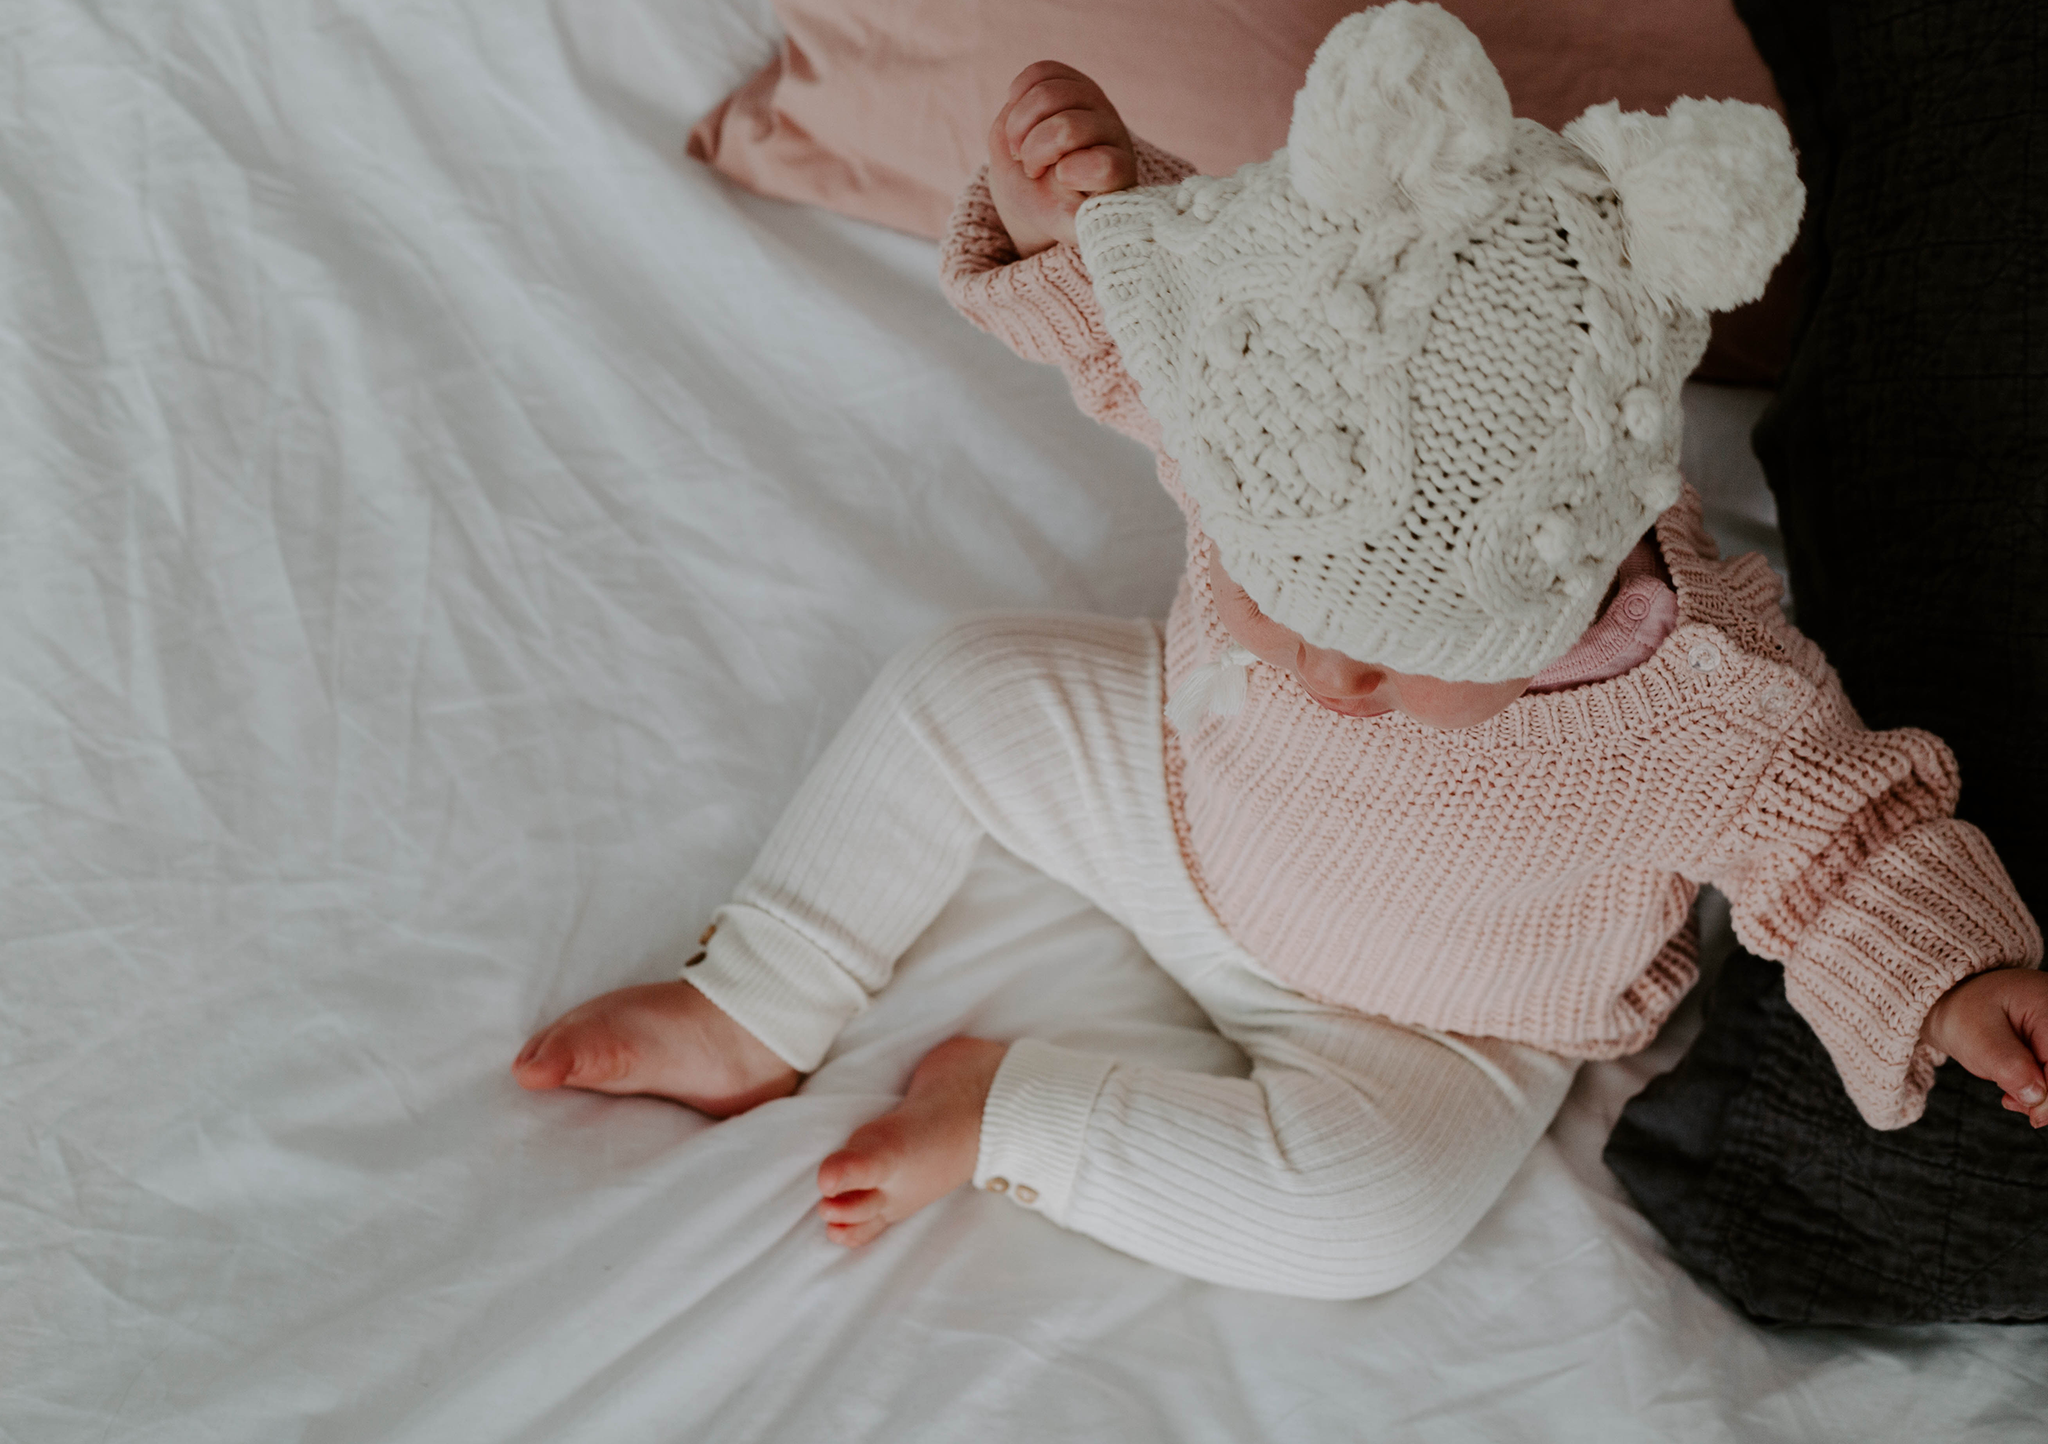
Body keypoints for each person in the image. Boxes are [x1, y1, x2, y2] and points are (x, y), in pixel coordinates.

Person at [511, 4, 2044, 1299]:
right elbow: (1169, 339)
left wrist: (1960, 977)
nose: (1322, 676)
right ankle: (758, 1000)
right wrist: (1080, 223)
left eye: (1384, 653)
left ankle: (1009, 1117)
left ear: (1571, 585)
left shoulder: (1707, 702)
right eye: (1281, 602)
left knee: (1372, 1216)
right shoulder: (1289, 429)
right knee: (962, 685)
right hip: (1183, 811)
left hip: (1451, 1024)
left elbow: (1851, 847)